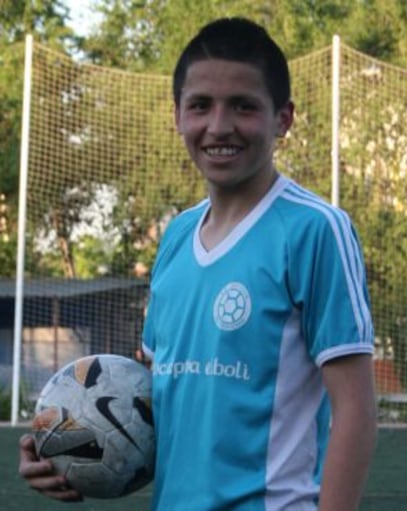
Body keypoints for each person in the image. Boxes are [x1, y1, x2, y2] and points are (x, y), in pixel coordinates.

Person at [19, 17, 377, 511]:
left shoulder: (315, 229)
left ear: (284, 118)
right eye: (201, 106)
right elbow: (160, 401)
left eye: (244, 106)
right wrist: (64, 441)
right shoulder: (176, 237)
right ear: (177, 116)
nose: (219, 126)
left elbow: (355, 409)